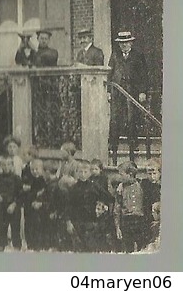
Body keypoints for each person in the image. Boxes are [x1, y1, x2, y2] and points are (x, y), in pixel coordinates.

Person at [107, 30, 149, 165]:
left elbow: (143, 75)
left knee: (132, 119)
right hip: (117, 93)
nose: (124, 46)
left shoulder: (138, 56)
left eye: (126, 42)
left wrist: (142, 91)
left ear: (131, 42)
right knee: (115, 119)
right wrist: (108, 90)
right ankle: (113, 147)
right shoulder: (115, 56)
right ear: (119, 45)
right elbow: (109, 73)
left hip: (132, 92)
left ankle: (133, 146)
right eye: (121, 43)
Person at [67, 158, 112, 252]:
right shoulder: (73, 188)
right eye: (80, 172)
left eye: (85, 172)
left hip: (91, 222)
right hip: (77, 222)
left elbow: (108, 198)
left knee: (91, 248)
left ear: (89, 173)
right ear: (77, 172)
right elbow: (68, 205)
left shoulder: (95, 186)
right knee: (79, 249)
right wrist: (69, 222)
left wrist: (101, 207)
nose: (83, 174)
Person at [0, 155, 22, 251]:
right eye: (4, 165)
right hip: (3, 207)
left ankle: (17, 248)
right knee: (2, 228)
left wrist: (14, 204)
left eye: (9, 164)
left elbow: (21, 194)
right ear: (0, 166)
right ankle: (1, 246)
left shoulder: (17, 179)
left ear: (12, 165)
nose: (6, 167)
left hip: (14, 207)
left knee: (15, 228)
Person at [114, 162, 147, 252]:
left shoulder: (142, 185)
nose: (119, 178)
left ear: (130, 174)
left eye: (121, 175)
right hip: (126, 221)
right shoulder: (120, 189)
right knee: (128, 248)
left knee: (142, 248)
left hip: (140, 220)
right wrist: (118, 227)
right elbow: (117, 210)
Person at [21, 156, 50, 251]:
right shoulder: (29, 180)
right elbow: (26, 193)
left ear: (41, 170)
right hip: (29, 206)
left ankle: (39, 244)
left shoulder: (43, 181)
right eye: (32, 169)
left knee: (39, 225)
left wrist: (39, 201)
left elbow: (45, 194)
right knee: (29, 224)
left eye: (37, 169)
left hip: (39, 207)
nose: (34, 171)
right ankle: (30, 243)